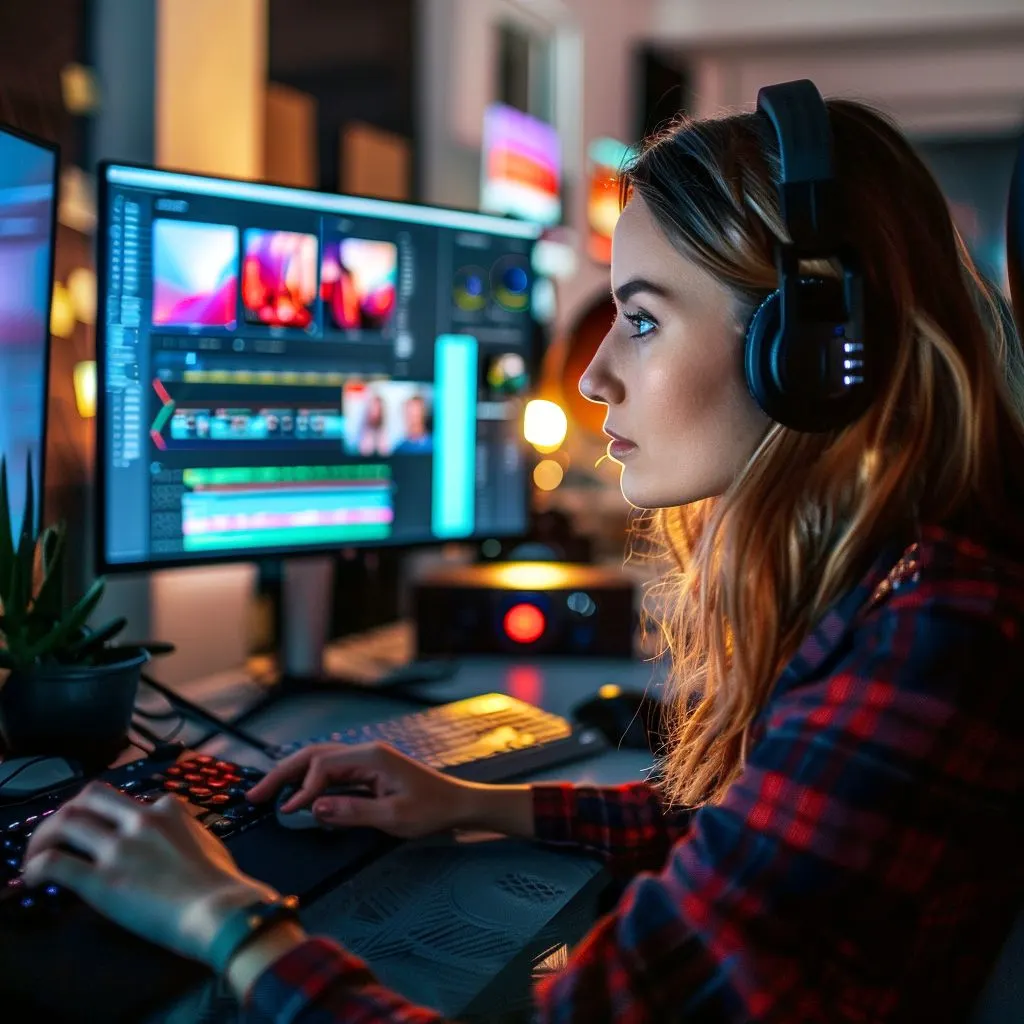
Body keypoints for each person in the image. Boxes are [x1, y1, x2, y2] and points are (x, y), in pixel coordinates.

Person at [21, 83, 1024, 1022]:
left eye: (640, 319)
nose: (593, 377)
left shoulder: (932, 640)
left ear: (806, 351)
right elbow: (749, 836)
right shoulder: (909, 585)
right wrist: (470, 800)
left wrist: (224, 916)